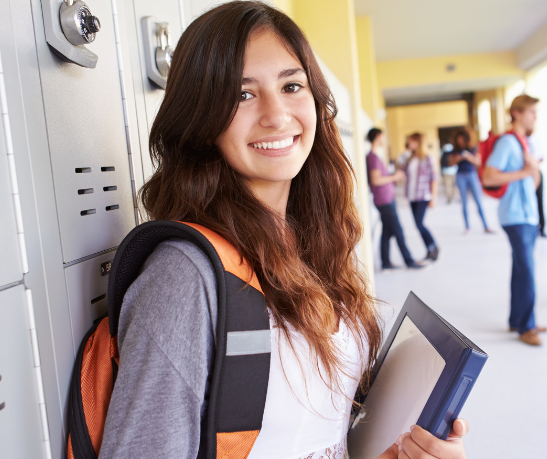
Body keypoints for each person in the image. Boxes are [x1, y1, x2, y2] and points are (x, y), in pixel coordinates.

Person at [100, 5, 469, 457]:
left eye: (292, 85)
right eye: (241, 95)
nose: (276, 115)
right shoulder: (186, 277)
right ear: (200, 119)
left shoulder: (315, 243)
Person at [482, 95, 546, 346]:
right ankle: (527, 327)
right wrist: (524, 171)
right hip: (515, 217)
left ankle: (518, 319)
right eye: (532, 112)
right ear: (517, 113)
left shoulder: (524, 143)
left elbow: (533, 183)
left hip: (528, 216)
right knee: (527, 270)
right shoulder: (509, 142)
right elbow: (488, 177)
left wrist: (534, 170)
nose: (535, 117)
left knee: (522, 269)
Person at [366, 128, 426, 270]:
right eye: (383, 136)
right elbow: (375, 180)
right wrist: (394, 177)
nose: (385, 139)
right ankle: (409, 261)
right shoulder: (373, 157)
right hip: (384, 200)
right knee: (398, 231)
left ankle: (386, 263)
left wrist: (393, 177)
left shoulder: (375, 156)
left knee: (387, 232)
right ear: (378, 137)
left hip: (386, 198)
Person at [404, 132, 440, 262]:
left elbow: (434, 178)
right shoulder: (409, 158)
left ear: (418, 142)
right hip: (412, 196)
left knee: (419, 224)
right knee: (417, 224)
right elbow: (402, 172)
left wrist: (433, 197)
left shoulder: (427, 158)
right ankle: (429, 249)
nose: (409, 144)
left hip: (423, 195)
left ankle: (433, 247)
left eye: (411, 141)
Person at [449, 129, 492, 234]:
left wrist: (468, 157)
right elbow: (451, 163)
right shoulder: (455, 151)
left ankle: (486, 226)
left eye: (462, 139)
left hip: (472, 175)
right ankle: (467, 227)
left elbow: (478, 162)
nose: (460, 142)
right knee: (464, 203)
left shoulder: (473, 149)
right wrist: (459, 158)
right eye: (458, 140)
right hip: (460, 176)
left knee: (479, 202)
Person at [528, 135, 547, 238]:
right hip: (526, 174)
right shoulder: (519, 141)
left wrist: (533, 163)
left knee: (539, 201)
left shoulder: (535, 140)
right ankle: (532, 227)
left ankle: (542, 228)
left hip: (536, 172)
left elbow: (541, 157)